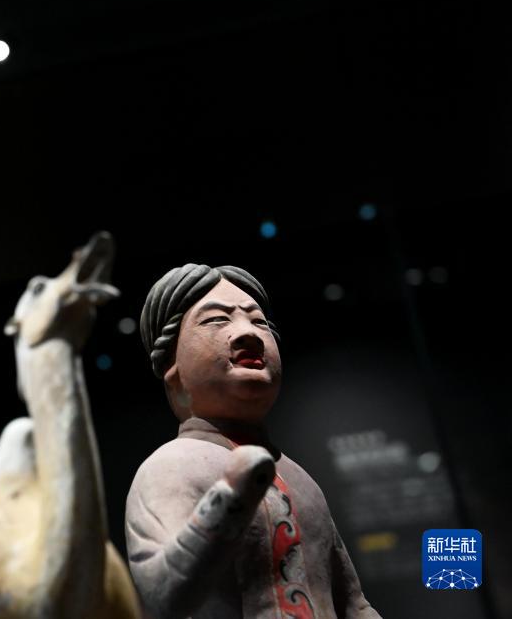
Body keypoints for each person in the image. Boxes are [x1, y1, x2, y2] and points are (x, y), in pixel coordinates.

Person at [125, 264, 380, 618]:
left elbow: (355, 604)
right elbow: (161, 595)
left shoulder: (300, 479)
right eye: (216, 320)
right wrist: (230, 499)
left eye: (259, 322)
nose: (248, 333)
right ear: (173, 368)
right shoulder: (171, 468)